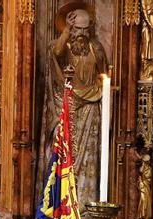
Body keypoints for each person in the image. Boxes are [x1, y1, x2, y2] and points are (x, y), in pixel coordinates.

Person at [46, 2, 109, 207]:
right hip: (68, 107)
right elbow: (55, 53)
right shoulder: (63, 47)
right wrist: (66, 33)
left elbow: (104, 75)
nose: (81, 33)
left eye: (85, 29)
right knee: (67, 154)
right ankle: (65, 205)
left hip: (91, 108)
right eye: (76, 29)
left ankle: (85, 204)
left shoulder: (95, 48)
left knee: (89, 158)